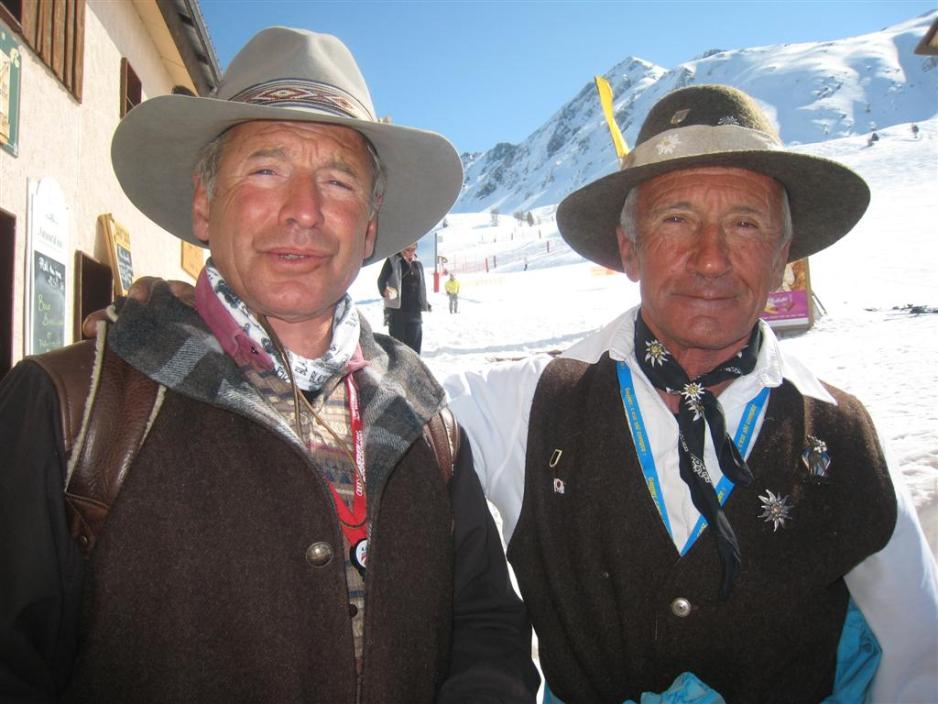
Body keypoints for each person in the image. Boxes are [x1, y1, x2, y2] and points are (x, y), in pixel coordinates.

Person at [0, 27, 538, 702]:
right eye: (265, 170)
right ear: (204, 204)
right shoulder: (71, 406)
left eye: (338, 181)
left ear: (369, 229)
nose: (303, 211)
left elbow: (486, 626)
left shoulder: (424, 413)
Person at [445, 85, 938, 703]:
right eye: (676, 219)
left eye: (746, 224)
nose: (710, 259)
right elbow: (371, 410)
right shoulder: (525, 405)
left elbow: (920, 659)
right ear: (630, 249)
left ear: (781, 257)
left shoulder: (842, 435)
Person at [378, 243, 429, 352]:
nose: (410, 252)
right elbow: (381, 280)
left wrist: (424, 301)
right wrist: (385, 290)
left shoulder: (417, 263)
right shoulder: (393, 260)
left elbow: (420, 285)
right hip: (398, 311)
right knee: (399, 346)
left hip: (415, 310)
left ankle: (414, 363)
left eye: (413, 249)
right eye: (407, 250)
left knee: (415, 345)